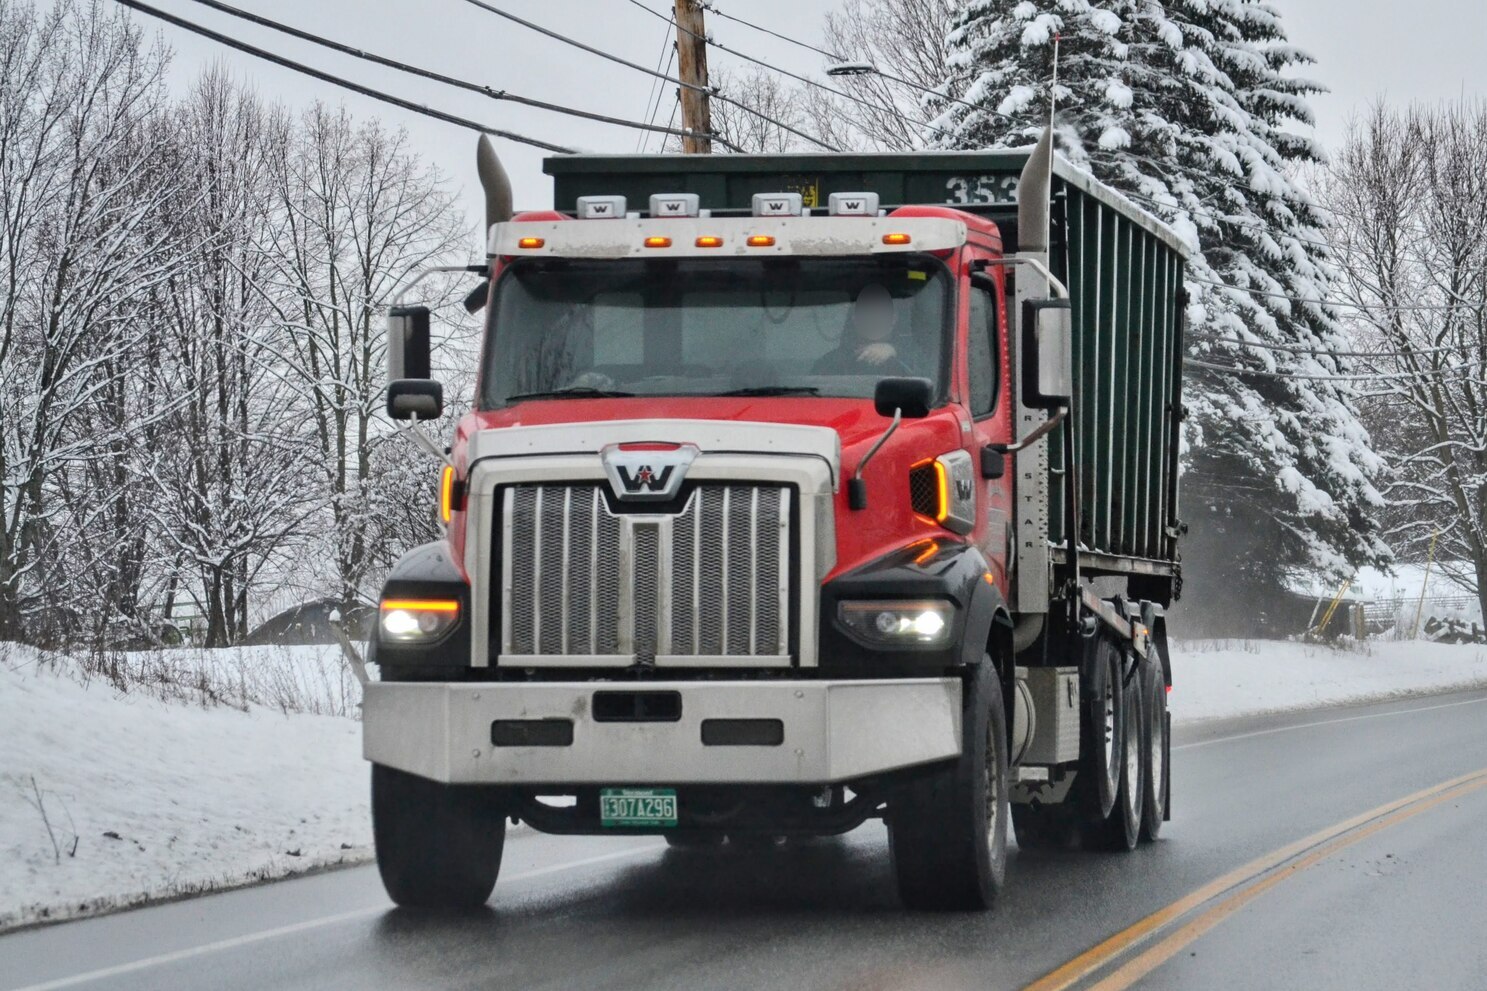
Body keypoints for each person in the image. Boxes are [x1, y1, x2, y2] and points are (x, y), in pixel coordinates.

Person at [812, 283, 908, 375]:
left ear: (894, 318)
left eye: (880, 313)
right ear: (854, 319)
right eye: (866, 313)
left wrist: (894, 351)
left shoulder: (912, 357)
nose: (873, 318)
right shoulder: (828, 363)